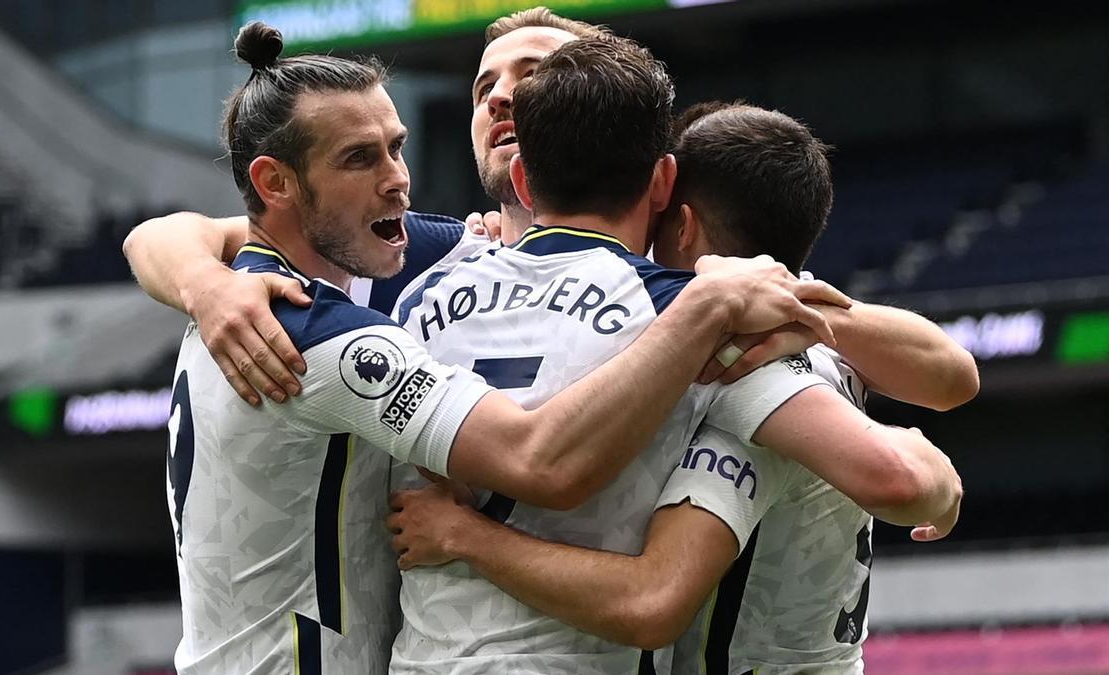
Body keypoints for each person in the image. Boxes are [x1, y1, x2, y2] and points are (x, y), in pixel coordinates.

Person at [168, 22, 842, 675]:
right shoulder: (311, 331)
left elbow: (172, 236)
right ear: (274, 182)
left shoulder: (341, 278)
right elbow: (537, 458)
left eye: (397, 148)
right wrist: (709, 305)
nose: (399, 180)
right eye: (359, 158)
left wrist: (197, 277)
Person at [387, 102, 968, 674]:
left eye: (656, 216)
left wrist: (466, 535)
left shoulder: (737, 359)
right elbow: (954, 377)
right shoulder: (802, 328)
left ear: (682, 223)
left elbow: (652, 599)